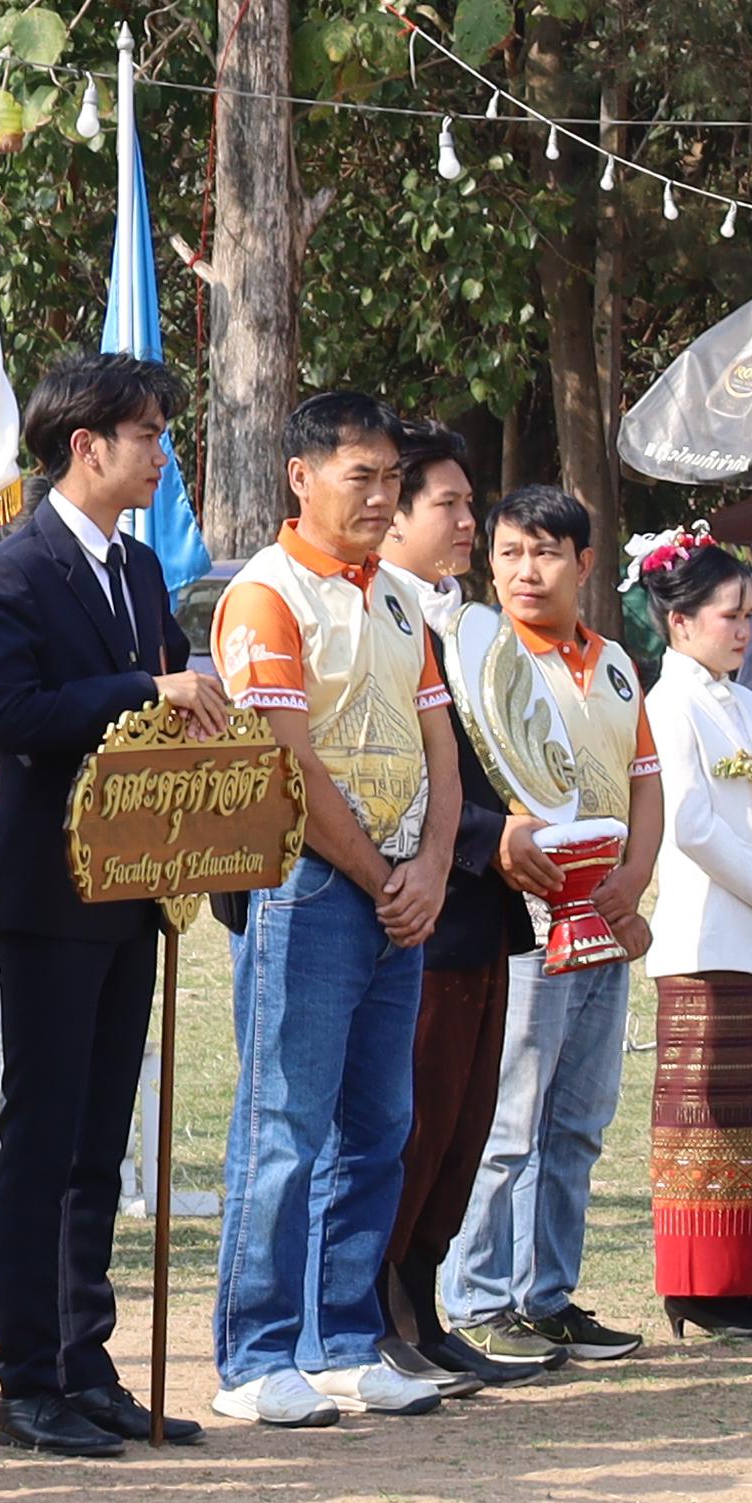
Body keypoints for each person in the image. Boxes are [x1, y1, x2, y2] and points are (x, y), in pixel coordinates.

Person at [0, 356, 227, 1457]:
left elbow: (157, 701)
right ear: (88, 445)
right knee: (43, 1134)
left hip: (131, 888)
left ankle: (87, 1357)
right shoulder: (11, 570)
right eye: (148, 433)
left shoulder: (141, 567)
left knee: (101, 1138)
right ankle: (25, 1373)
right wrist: (145, 691)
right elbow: (13, 709)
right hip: (48, 891)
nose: (162, 452)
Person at [206, 389, 460, 1427]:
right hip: (306, 889)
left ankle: (345, 1338)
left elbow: (443, 742)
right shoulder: (267, 596)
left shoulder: (401, 597)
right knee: (284, 1124)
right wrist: (382, 873)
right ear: (300, 476)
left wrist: (434, 864)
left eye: (393, 479)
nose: (382, 495)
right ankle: (254, 1353)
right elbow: (285, 765)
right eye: (363, 475)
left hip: (400, 890)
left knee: (379, 1123)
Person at [436, 486, 659, 1364]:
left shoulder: (614, 661)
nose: (528, 572)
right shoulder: (478, 661)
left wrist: (635, 880)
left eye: (548, 553)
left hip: (604, 918)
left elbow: (645, 778)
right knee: (508, 1116)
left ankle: (548, 1293)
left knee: (580, 1119)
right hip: (526, 920)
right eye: (511, 553)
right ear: (489, 562)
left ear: (585, 564)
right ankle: (479, 1296)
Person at [626, 533, 752, 1338]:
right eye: (727, 615)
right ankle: (701, 1286)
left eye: (750, 614)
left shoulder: (744, 701)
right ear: (679, 623)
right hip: (712, 939)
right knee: (710, 1122)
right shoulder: (668, 703)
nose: (743, 630)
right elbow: (694, 826)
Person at [369, 420, 535, 1393]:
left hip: (488, 906)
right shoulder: (387, 617)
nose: (470, 519)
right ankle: (382, 1305)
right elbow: (398, 769)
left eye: (474, 502)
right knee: (415, 1114)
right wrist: (486, 838)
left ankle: (425, 1303)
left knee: (466, 1119)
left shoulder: (470, 622)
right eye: (450, 502)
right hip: (425, 899)